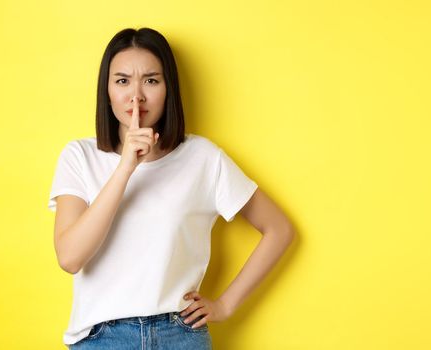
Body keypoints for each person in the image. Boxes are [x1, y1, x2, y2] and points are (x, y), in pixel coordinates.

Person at [47, 27, 295, 349]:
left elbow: (279, 229)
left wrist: (225, 305)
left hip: (178, 334)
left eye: (151, 80)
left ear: (168, 89)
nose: (136, 95)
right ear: (106, 91)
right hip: (102, 338)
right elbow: (70, 257)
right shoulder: (79, 156)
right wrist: (126, 167)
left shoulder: (203, 158)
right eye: (122, 81)